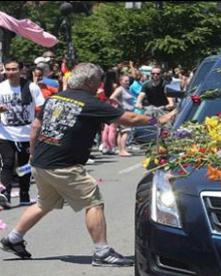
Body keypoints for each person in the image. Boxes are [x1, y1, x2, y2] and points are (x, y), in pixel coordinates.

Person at [0, 63, 177, 265]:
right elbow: (128, 118)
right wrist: (157, 120)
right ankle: (102, 251)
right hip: (63, 164)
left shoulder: (54, 99)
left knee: (44, 203)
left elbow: (36, 126)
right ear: (90, 82)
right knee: (93, 201)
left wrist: (33, 153)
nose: (100, 86)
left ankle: (13, 238)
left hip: (42, 161)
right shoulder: (90, 103)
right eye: (98, 81)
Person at [0, 60, 45, 208]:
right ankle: (4, 194)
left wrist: (38, 127)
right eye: (8, 69)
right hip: (5, 133)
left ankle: (24, 194)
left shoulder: (31, 87)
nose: (11, 72)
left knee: (24, 166)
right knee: (7, 162)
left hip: (26, 133)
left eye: (14, 69)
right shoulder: (1, 88)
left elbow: (41, 107)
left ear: (21, 70)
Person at [109, 75, 135, 157]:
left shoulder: (126, 89)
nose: (127, 82)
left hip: (127, 112)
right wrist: (121, 105)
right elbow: (112, 97)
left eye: (128, 80)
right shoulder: (120, 89)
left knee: (121, 132)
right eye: (125, 81)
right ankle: (123, 150)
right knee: (126, 131)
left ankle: (121, 150)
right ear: (120, 81)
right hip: (124, 112)